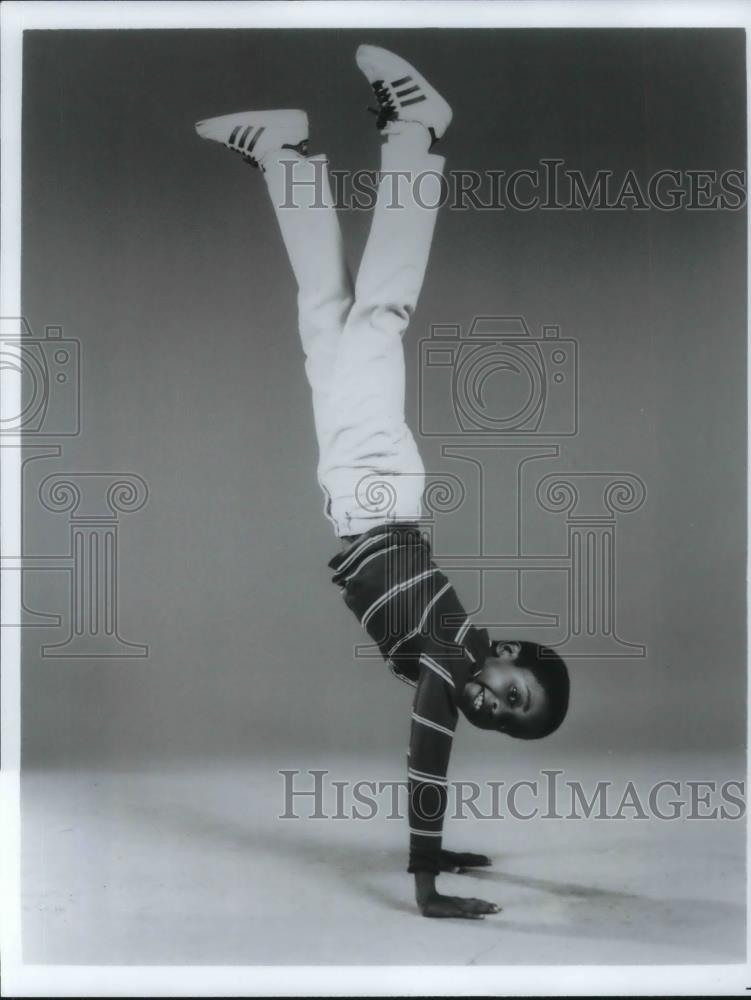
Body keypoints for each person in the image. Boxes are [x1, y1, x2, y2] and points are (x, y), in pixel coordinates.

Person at [196, 44, 570, 919]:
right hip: (373, 492)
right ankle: (415, 132)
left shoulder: (449, 655)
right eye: (511, 696)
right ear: (506, 654)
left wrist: (454, 853)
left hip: (360, 494)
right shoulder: (452, 657)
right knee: (380, 310)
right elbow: (426, 757)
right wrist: (428, 877)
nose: (491, 706)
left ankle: (284, 157)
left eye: (505, 719)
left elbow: (440, 729)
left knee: (326, 311)